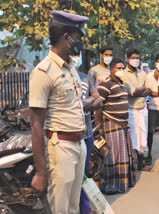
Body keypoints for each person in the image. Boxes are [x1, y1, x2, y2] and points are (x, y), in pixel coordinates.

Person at [29, 11, 89, 213]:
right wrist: (41, 172)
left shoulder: (70, 67)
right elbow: (36, 124)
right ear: (67, 38)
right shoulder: (43, 72)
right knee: (60, 208)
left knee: (73, 207)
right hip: (60, 147)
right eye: (79, 37)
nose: (81, 42)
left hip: (79, 144)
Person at [96, 59, 136, 194]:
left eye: (123, 68)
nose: (121, 70)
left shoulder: (123, 85)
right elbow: (98, 107)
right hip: (111, 123)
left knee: (123, 154)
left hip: (123, 125)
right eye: (119, 68)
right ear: (111, 70)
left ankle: (122, 184)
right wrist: (100, 126)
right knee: (112, 155)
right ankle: (109, 186)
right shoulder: (105, 85)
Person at [71, 55, 103, 214]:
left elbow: (99, 101)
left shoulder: (86, 77)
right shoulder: (61, 77)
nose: (73, 57)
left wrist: (84, 103)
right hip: (67, 136)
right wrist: (89, 101)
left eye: (76, 55)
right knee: (69, 177)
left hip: (86, 134)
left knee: (82, 175)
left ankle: (85, 209)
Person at [122, 48, 153, 171]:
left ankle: (141, 163)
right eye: (133, 58)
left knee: (142, 137)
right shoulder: (124, 74)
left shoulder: (142, 73)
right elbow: (129, 92)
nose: (136, 60)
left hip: (143, 108)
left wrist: (137, 92)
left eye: (137, 58)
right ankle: (132, 165)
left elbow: (149, 89)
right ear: (127, 59)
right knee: (133, 138)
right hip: (131, 110)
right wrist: (138, 91)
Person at [145, 54, 159, 165]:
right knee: (150, 132)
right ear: (155, 63)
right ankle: (149, 155)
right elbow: (149, 92)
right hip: (152, 107)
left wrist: (156, 93)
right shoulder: (149, 76)